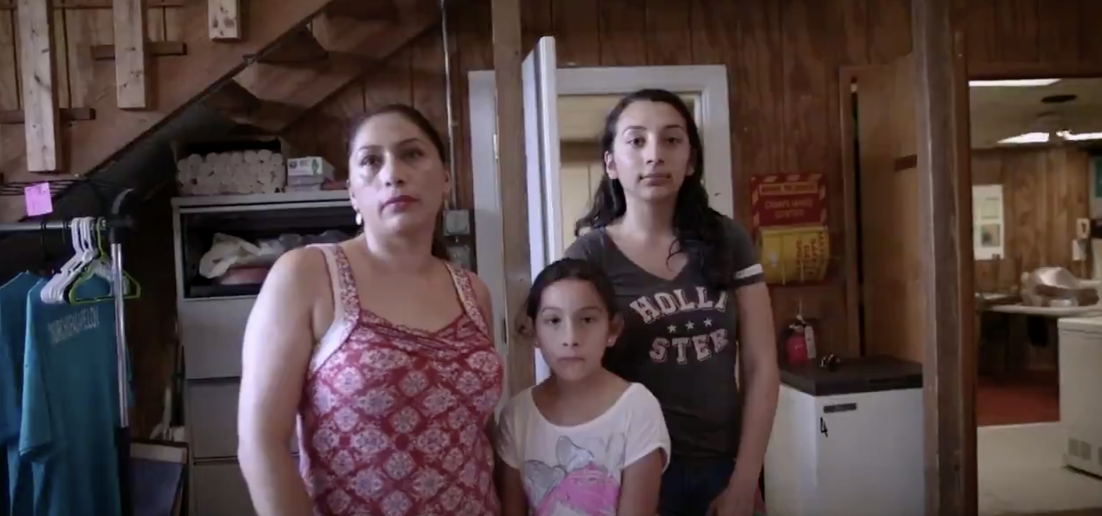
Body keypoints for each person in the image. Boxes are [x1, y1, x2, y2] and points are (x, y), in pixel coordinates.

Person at [237, 104, 504, 516]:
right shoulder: (308, 274)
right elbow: (260, 444)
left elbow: (479, 432)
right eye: (371, 161)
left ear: (446, 179)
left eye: (412, 154)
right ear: (353, 194)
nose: (393, 173)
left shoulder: (473, 291)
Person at [564, 89, 779, 516]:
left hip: (722, 467)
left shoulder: (728, 241)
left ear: (691, 160)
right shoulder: (588, 257)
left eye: (671, 140)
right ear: (611, 163)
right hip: (631, 470)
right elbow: (573, 376)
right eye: (636, 140)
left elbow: (761, 366)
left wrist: (744, 480)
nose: (654, 155)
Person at [496, 257, 670, 516]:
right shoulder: (517, 415)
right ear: (534, 331)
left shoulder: (637, 409)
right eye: (553, 321)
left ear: (612, 329)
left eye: (586, 320)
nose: (570, 339)